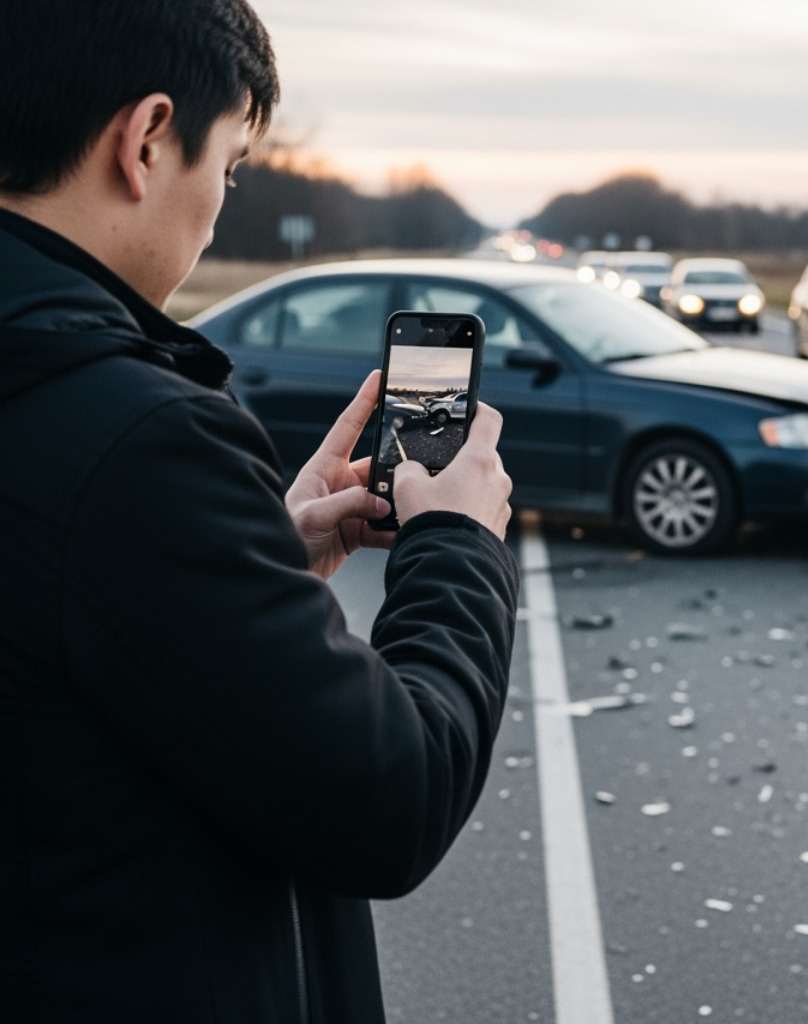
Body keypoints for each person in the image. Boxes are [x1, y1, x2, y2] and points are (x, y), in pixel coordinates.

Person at [0, 3, 518, 1021]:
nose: (217, 205)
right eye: (229, 166)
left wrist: (258, 556)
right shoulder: (138, 440)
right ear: (145, 139)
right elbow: (389, 802)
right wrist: (459, 543)